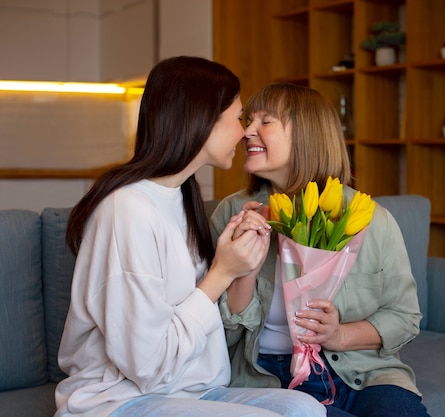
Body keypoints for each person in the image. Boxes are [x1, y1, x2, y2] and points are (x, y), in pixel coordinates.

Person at [55, 58, 326, 417]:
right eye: (238, 117)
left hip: (190, 393)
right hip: (117, 399)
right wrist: (222, 272)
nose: (244, 132)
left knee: (305, 410)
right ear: (202, 120)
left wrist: (237, 259)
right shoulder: (127, 210)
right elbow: (148, 366)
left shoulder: (183, 198)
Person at [209, 82, 430, 417]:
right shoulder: (233, 215)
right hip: (265, 378)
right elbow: (215, 332)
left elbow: (404, 317)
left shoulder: (371, 220)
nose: (247, 131)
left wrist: (339, 335)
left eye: (265, 122)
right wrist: (245, 269)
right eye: (248, 120)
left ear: (306, 135)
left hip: (363, 375)